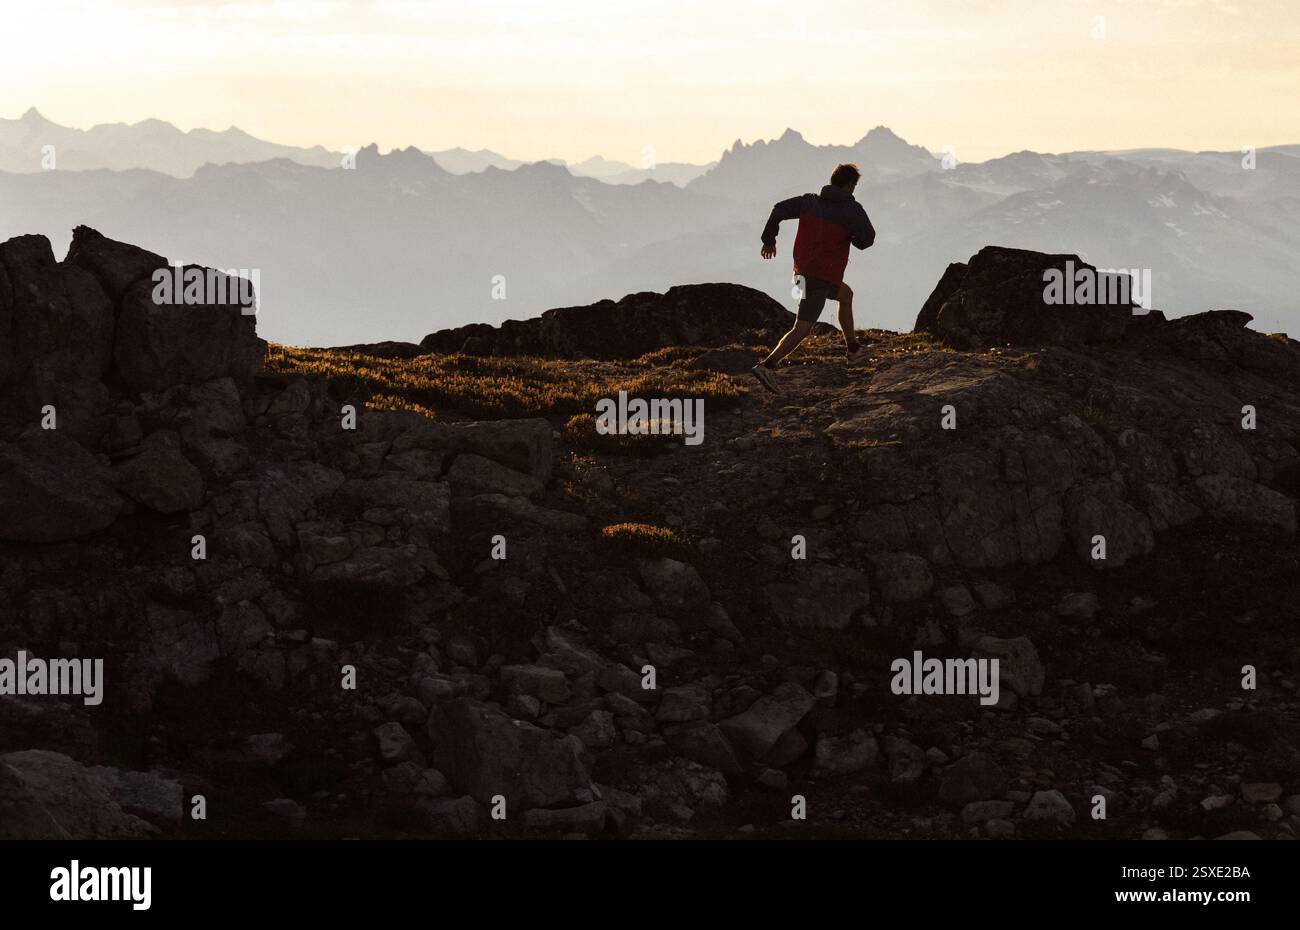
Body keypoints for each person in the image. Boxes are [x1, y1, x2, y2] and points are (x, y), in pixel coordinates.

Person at [751, 163, 876, 393]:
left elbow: (778, 209)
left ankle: (854, 349)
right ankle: (767, 366)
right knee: (802, 328)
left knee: (846, 295)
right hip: (821, 275)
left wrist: (769, 239)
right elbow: (867, 240)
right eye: (854, 186)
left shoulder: (809, 201)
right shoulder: (851, 209)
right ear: (849, 185)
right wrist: (852, 236)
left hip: (801, 272)